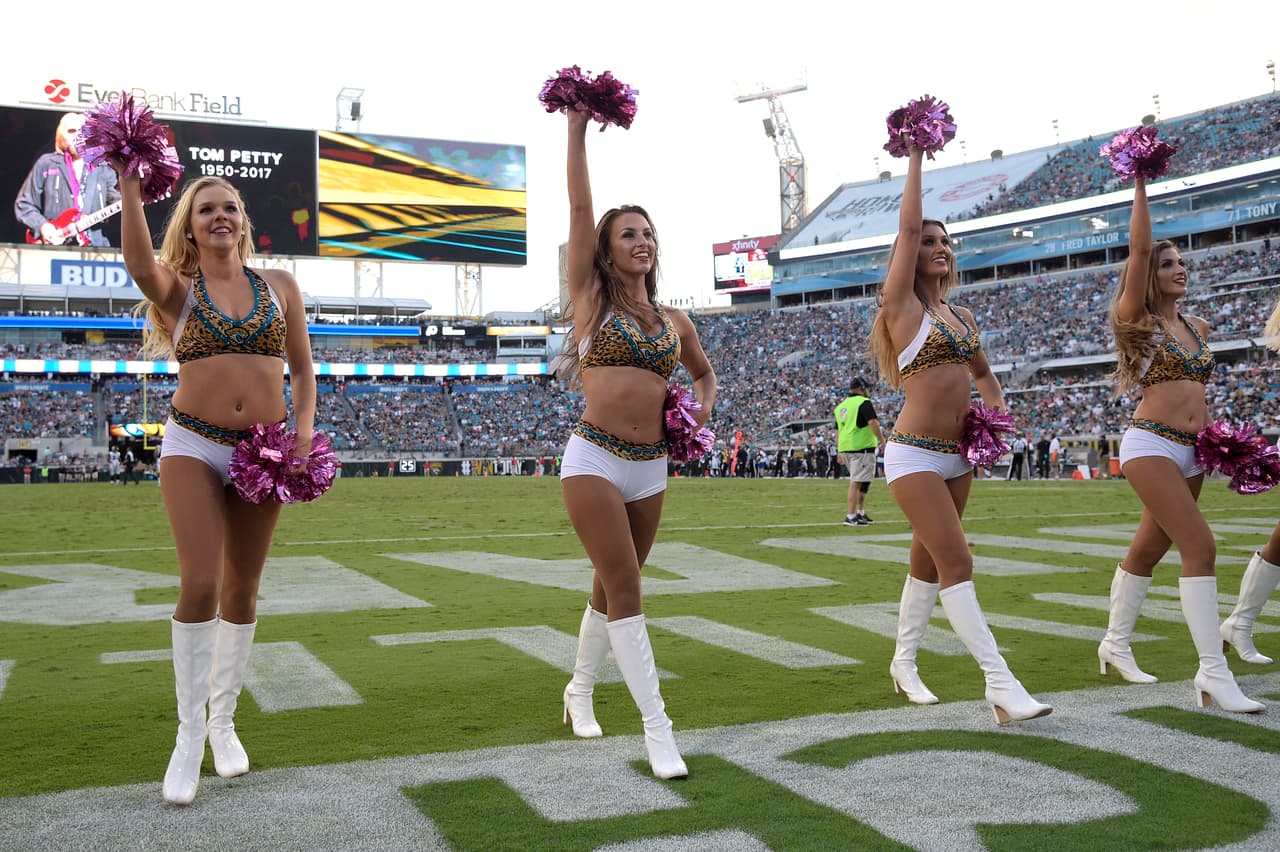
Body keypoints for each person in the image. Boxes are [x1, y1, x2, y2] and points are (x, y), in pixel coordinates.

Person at [114, 170, 318, 803]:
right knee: (200, 582)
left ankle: (223, 724)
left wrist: (304, 432)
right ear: (191, 224)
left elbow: (304, 370)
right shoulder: (177, 289)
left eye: (229, 207)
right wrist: (128, 187)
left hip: (265, 448)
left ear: (243, 220)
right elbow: (137, 261)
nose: (219, 216)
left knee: (243, 587)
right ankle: (187, 738)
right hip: (193, 443)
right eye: (206, 210)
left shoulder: (280, 286)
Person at [556, 105, 716, 780]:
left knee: (611, 584)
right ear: (608, 248)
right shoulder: (592, 299)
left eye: (648, 232)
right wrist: (575, 131)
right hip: (592, 457)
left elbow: (705, 377)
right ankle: (659, 730)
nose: (641, 241)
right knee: (626, 587)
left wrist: (694, 417)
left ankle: (578, 691)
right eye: (628, 234)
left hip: (651, 468)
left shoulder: (674, 319)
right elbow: (580, 203)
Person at [868, 141, 1050, 724]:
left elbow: (986, 377)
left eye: (946, 242)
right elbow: (906, 224)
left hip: (959, 457)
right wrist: (917, 157)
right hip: (914, 455)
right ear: (908, 252)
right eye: (928, 241)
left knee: (927, 564)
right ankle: (1000, 683)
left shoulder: (961, 317)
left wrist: (995, 420)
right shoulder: (901, 306)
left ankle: (902, 663)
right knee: (959, 562)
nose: (939, 247)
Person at [1097, 173, 1262, 713]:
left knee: (1150, 548)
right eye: (1168, 264)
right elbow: (1139, 246)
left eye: (1182, 263)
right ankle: (1212, 673)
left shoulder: (1200, 326)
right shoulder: (1136, 320)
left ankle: (1114, 644)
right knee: (1202, 547)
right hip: (1150, 446)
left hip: (1195, 452)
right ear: (1147, 275)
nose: (1180, 268)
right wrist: (1141, 182)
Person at [14, 112, 121, 247]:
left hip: (95, 247)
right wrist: (43, 226)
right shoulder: (47, 163)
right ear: (62, 135)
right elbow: (24, 204)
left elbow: (119, 206)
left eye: (83, 132)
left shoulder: (103, 167)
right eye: (72, 131)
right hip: (56, 244)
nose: (77, 136)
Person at [834, 376, 884, 526]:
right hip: (860, 447)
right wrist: (882, 440)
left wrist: (838, 450)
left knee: (864, 481)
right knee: (856, 482)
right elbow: (872, 422)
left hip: (846, 447)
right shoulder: (863, 403)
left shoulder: (840, 406)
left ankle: (860, 513)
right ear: (861, 388)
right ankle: (851, 515)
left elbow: (838, 430)